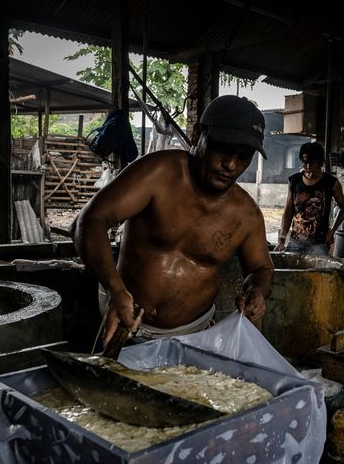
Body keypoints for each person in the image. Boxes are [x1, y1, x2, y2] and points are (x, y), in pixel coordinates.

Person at [73, 95, 274, 345]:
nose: (230, 165)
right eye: (221, 149)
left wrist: (257, 291)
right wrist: (115, 289)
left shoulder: (246, 214)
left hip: (195, 336)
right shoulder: (159, 173)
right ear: (197, 134)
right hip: (126, 325)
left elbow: (261, 269)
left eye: (243, 156)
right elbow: (89, 221)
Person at [275, 142, 344, 254]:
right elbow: (288, 210)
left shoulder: (331, 182)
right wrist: (282, 239)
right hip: (296, 241)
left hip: (320, 243)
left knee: (315, 271)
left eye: (312, 162)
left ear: (319, 162)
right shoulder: (294, 181)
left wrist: (332, 231)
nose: (308, 166)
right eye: (304, 162)